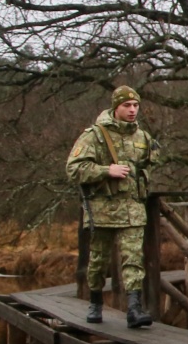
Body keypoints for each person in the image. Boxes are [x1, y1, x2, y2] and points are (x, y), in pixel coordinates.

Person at [66, 85, 162, 328]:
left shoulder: (143, 137)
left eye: (135, 105)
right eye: (126, 106)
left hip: (133, 208)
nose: (132, 110)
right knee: (99, 260)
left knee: (134, 258)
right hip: (103, 210)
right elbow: (74, 169)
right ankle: (95, 302)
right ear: (115, 107)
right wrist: (106, 170)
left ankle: (133, 308)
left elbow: (152, 163)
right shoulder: (95, 135)